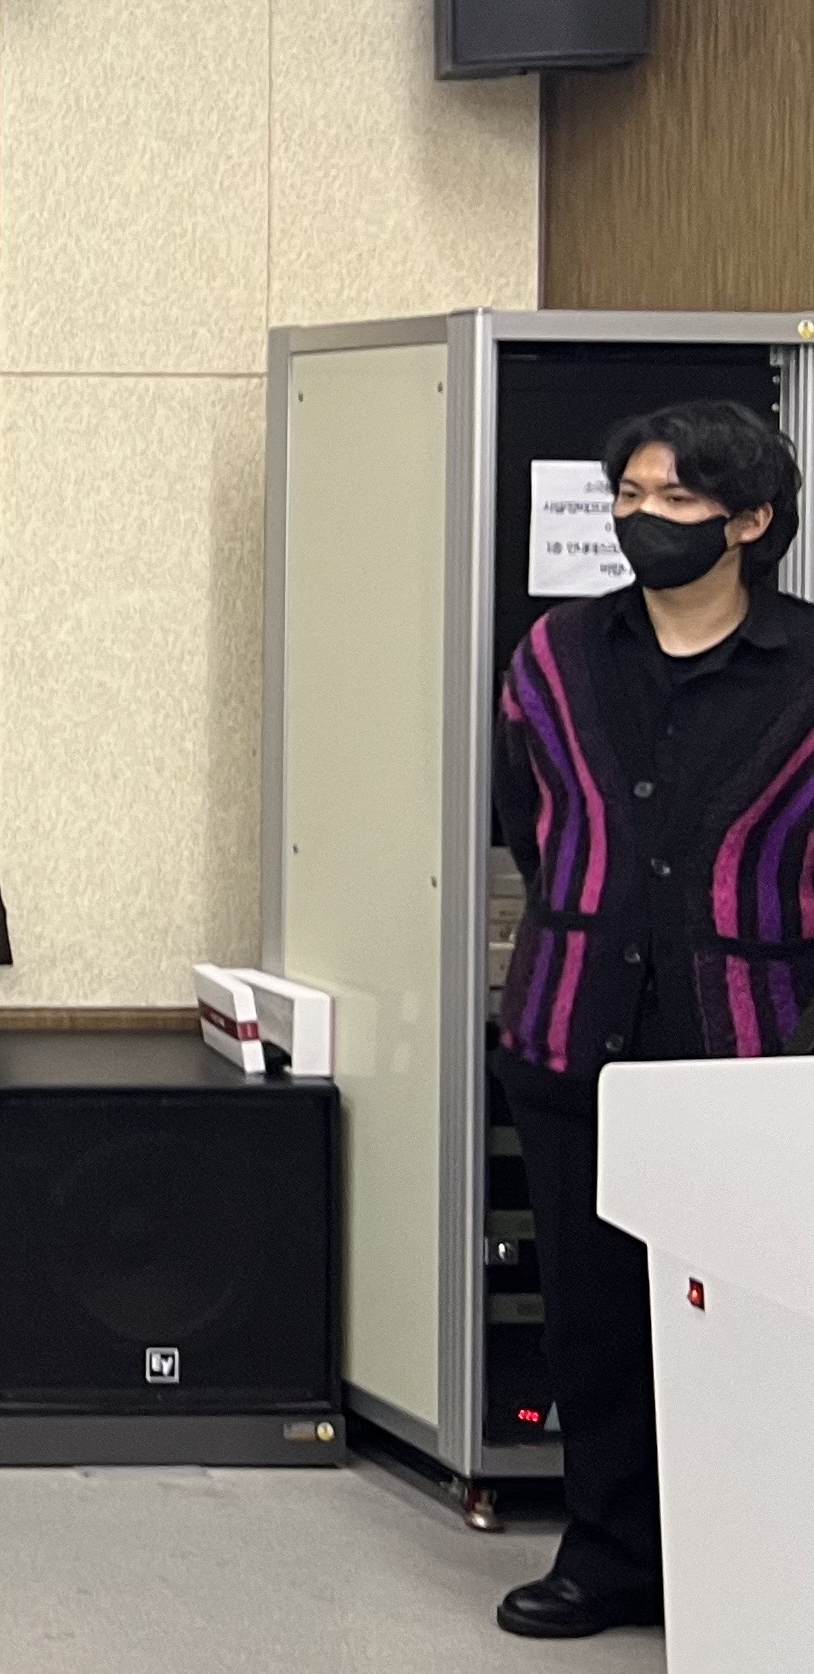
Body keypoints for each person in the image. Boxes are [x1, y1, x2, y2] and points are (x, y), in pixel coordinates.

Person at [488, 399, 810, 1642]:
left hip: (752, 1049)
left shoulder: (807, 666)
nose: (643, 519)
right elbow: (532, 826)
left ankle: (750, 1571)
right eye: (629, 497)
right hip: (575, 1033)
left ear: (750, 520)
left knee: (748, 1328)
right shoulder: (556, 656)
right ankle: (610, 1557)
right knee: (594, 1316)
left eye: (675, 499)